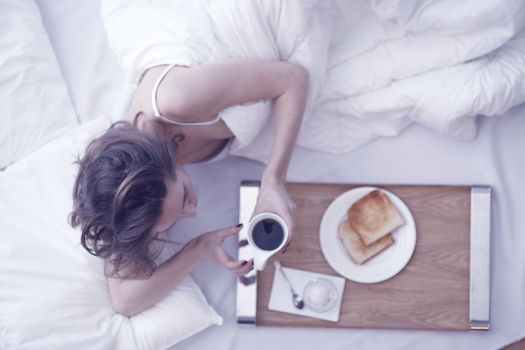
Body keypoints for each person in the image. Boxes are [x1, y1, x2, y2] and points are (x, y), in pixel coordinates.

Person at [71, 58, 309, 316]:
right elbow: (125, 302)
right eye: (172, 221)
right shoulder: (126, 203)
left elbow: (293, 77)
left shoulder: (177, 99)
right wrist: (197, 251)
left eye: (185, 197)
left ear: (165, 158)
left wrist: (273, 179)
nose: (193, 211)